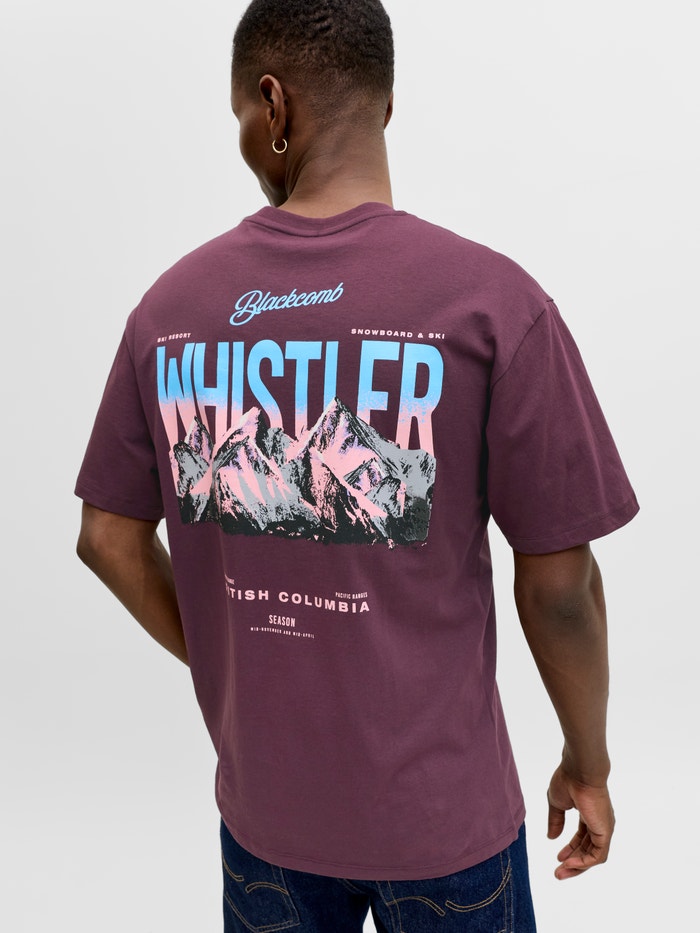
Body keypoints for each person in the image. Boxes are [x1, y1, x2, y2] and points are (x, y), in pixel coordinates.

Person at [75, 1, 639, 930]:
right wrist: (589, 761)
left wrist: (232, 658)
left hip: (265, 821)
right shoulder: (494, 303)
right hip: (443, 824)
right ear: (387, 103)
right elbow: (561, 586)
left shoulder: (168, 312)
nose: (244, 143)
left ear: (273, 104)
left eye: (238, 118)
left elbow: (106, 537)